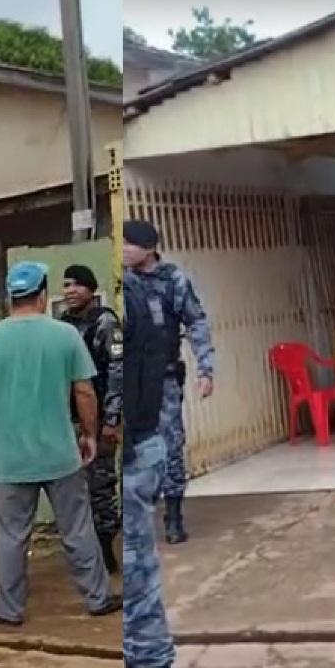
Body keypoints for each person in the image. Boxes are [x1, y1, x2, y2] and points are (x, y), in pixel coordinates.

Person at [0, 261, 121, 626]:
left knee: (12, 536)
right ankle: (97, 598)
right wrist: (90, 436)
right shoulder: (64, 336)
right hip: (60, 453)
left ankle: (9, 609)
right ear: (43, 294)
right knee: (77, 527)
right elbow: (84, 391)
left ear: (9, 297)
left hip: (10, 459)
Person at [122, 220, 215, 545]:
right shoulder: (124, 283)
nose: (123, 251)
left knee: (171, 445)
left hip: (163, 381)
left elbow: (196, 321)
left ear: (147, 249)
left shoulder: (173, 280)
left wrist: (206, 369)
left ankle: (173, 514)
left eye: (129, 245)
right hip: (131, 382)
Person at [121, 268, 183, 668]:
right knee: (140, 584)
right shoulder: (141, 292)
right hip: (142, 446)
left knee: (138, 588)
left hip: (134, 450)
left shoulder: (134, 297)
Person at [58, 264, 123, 574]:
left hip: (97, 420)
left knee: (100, 486)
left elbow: (117, 371)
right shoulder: (63, 326)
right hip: (68, 420)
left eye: (76, 285)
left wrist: (111, 419)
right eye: (65, 285)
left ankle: (107, 549)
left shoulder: (105, 322)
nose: (69, 291)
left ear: (90, 289)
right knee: (73, 489)